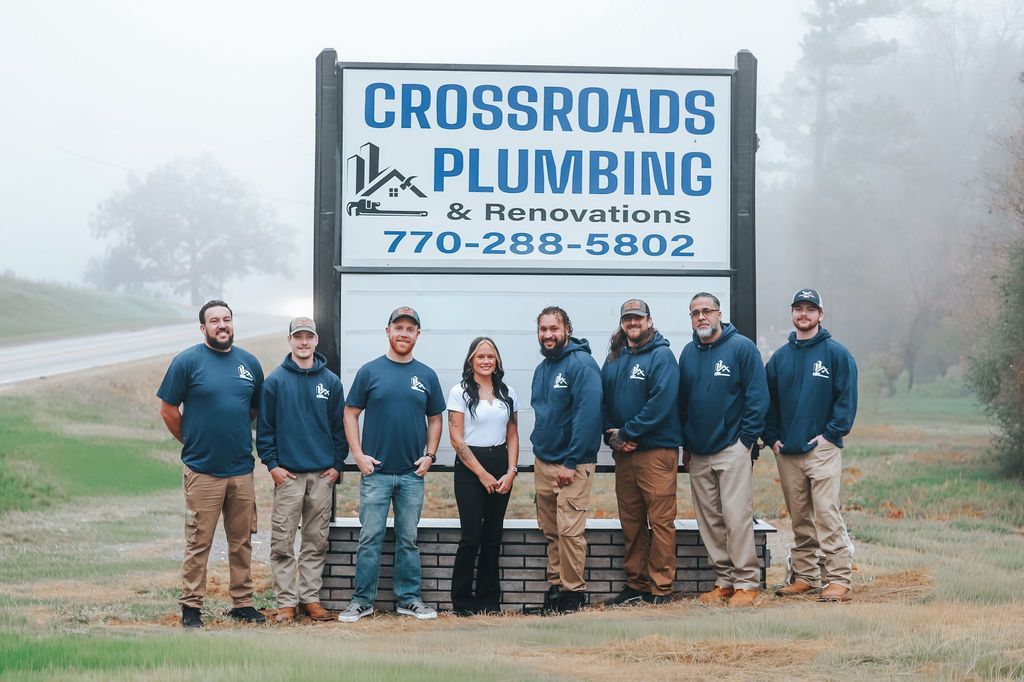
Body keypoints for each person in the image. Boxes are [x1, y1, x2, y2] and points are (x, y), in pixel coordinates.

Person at [157, 300, 267, 628]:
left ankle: (243, 603)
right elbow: (168, 409)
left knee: (242, 540)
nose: (222, 325)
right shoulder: (187, 362)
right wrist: (191, 441)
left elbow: (252, 410)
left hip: (240, 470)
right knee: (198, 541)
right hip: (203, 470)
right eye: (214, 321)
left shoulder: (249, 363)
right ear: (203, 328)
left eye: (227, 319)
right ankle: (191, 607)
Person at [337, 306, 445, 622]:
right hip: (377, 473)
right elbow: (350, 413)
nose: (403, 333)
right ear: (388, 332)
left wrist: (430, 455)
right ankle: (361, 601)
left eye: (410, 329)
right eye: (398, 327)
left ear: (417, 335)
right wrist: (357, 454)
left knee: (407, 539)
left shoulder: (426, 375)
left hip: (412, 474)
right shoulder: (370, 371)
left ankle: (409, 599)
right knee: (369, 538)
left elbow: (436, 418)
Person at [766, 289, 858, 602]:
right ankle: (805, 576)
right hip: (787, 452)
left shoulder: (836, 353)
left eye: (810, 309)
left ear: (820, 315)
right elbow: (769, 403)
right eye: (798, 308)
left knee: (826, 514)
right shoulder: (780, 357)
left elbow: (846, 400)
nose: (804, 314)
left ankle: (838, 579)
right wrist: (772, 438)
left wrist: (831, 434)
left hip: (821, 449)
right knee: (800, 518)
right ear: (792, 314)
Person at [677, 292, 768, 608]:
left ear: (719, 314)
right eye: (695, 313)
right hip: (699, 450)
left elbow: (758, 398)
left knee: (736, 516)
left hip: (732, 446)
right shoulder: (688, 353)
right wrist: (687, 445)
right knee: (709, 520)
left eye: (706, 311)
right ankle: (725, 581)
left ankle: (746, 582)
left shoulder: (741, 348)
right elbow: (684, 403)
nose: (701, 317)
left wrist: (746, 441)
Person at [256, 316, 348, 623]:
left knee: (315, 540)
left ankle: (310, 599)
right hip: (289, 476)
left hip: (322, 476)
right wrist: (273, 466)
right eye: (298, 337)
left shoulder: (331, 382)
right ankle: (286, 602)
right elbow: (265, 430)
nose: (304, 342)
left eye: (309, 336)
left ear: (316, 340)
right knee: (282, 541)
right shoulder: (275, 381)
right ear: (290, 340)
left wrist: (337, 465)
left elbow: (339, 428)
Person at [601, 299, 682, 607]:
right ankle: (636, 584)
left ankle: (661, 588)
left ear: (649, 321)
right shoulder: (615, 356)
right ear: (622, 323)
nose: (632, 323)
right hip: (624, 454)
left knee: (660, 523)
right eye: (627, 319)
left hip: (655, 453)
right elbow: (602, 399)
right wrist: (612, 436)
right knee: (631, 522)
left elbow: (661, 402)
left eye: (638, 318)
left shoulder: (662, 356)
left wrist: (629, 432)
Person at [531, 306, 603, 614]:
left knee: (570, 532)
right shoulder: (542, 368)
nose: (548, 335)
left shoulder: (582, 364)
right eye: (543, 329)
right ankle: (557, 591)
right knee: (552, 531)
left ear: (567, 330)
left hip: (571, 465)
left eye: (554, 329)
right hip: (544, 463)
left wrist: (571, 462)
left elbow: (588, 416)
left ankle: (573, 596)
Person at [447, 337, 520, 615]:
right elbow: (456, 438)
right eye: (480, 357)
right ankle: (462, 603)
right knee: (471, 537)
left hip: (501, 462)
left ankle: (489, 602)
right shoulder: (460, 392)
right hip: (470, 468)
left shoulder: (508, 392)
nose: (486, 361)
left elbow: (513, 434)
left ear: (497, 360)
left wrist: (511, 472)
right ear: (471, 361)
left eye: (491, 356)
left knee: (492, 537)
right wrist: (482, 474)